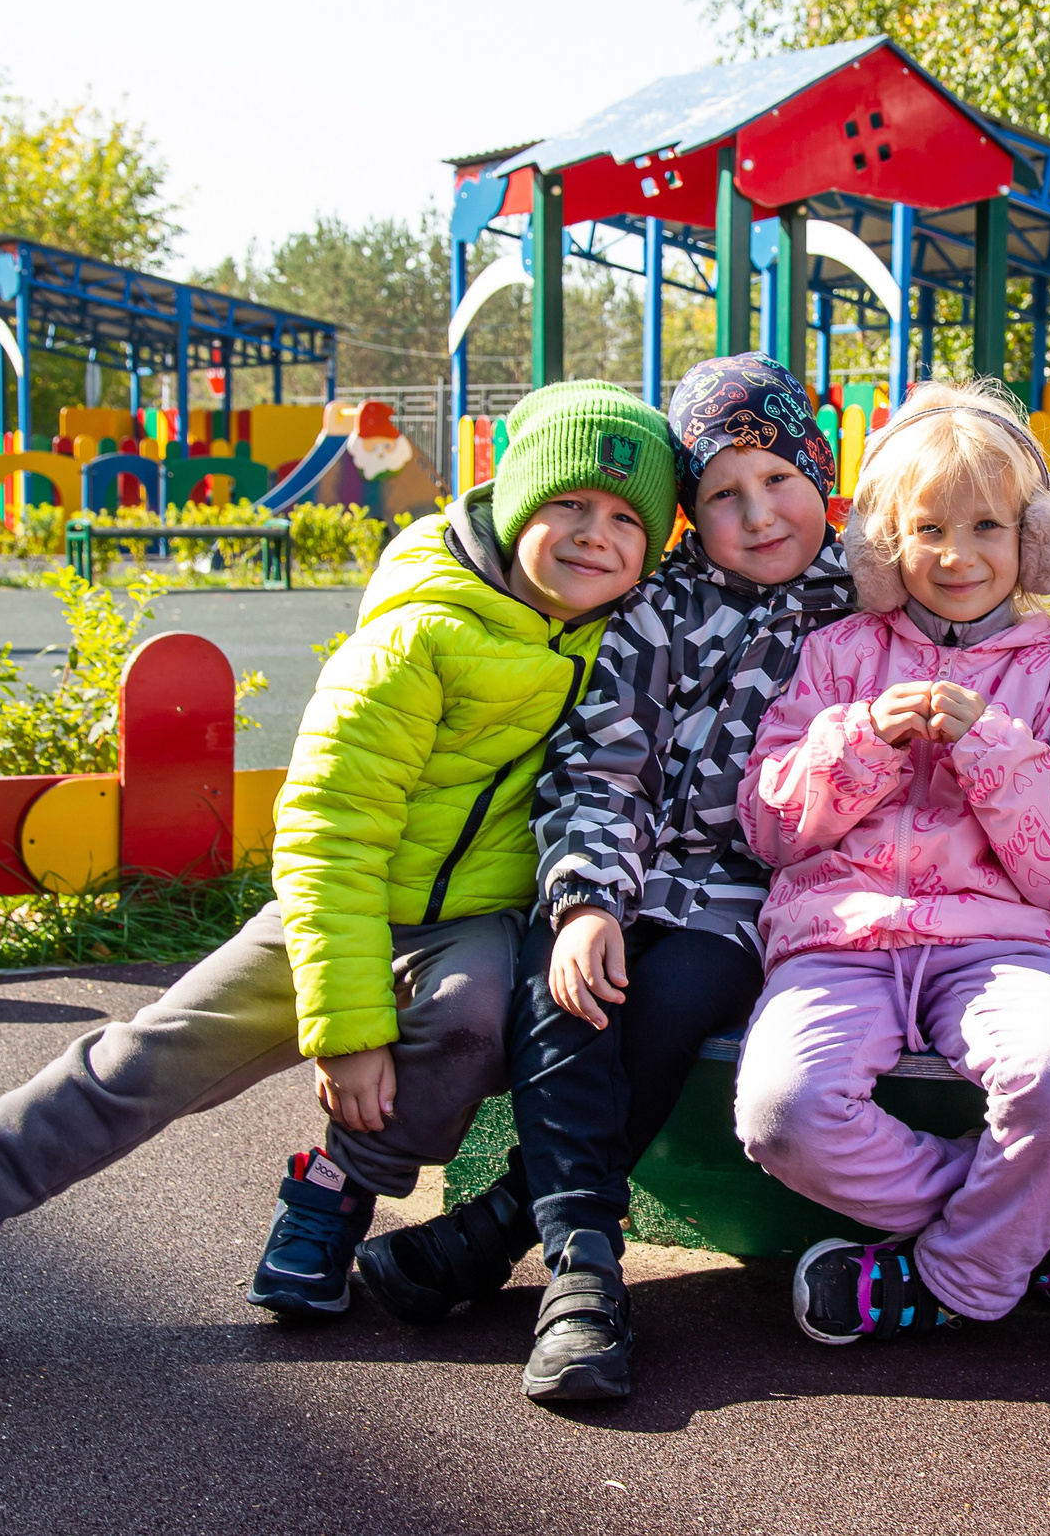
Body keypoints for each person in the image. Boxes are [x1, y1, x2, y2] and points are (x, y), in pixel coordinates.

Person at [0, 383, 676, 1368]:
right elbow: (327, 832)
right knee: (147, 1060)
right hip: (337, 905)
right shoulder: (416, 635)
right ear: (516, 496)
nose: (593, 535)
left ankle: (338, 1184)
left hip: (472, 918)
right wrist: (348, 1027)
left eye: (625, 519)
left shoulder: (617, 635)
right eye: (568, 503)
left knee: (480, 1013)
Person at [353, 353, 860, 1402]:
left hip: (747, 894)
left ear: (821, 471)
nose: (758, 513)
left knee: (672, 996)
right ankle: (585, 1272)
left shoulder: (859, 606)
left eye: (778, 480)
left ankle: (505, 1231)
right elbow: (599, 763)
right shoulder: (658, 607)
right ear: (689, 514)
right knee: (569, 986)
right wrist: (586, 898)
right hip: (622, 868)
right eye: (722, 494)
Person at [731, 381, 1050, 1347]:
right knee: (783, 1112)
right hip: (835, 939)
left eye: (989, 527)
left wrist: (993, 752)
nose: (959, 557)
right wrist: (861, 740)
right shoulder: (835, 655)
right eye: (929, 529)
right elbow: (770, 828)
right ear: (882, 544)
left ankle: (951, 1275)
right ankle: (1019, 1235)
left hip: (1001, 945)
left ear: (1036, 540)